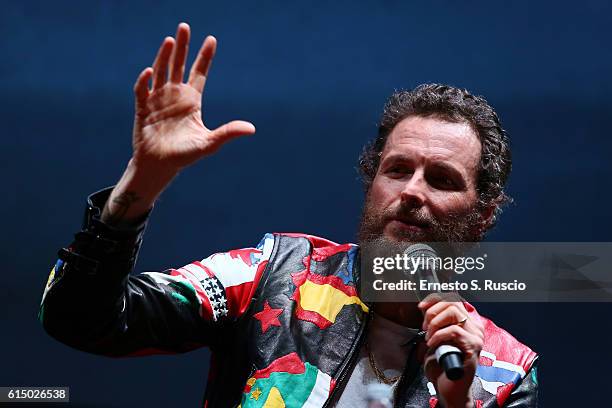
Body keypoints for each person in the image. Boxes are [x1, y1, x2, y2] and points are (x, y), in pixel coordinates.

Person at [39, 23, 538, 407]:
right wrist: (140, 185)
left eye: (441, 179)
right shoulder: (273, 273)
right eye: (397, 169)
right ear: (372, 183)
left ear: (482, 216)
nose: (410, 191)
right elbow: (80, 320)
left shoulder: (504, 371)